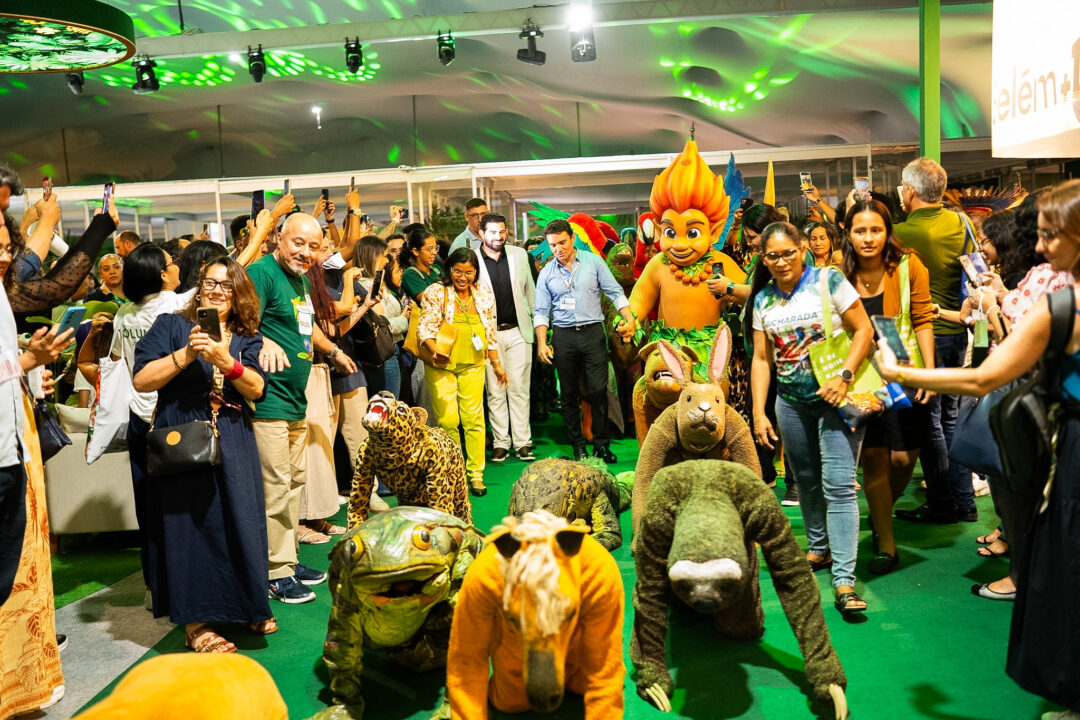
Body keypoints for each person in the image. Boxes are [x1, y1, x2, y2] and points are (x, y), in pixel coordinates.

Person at [873, 179, 1080, 720]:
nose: (1040, 247)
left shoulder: (1060, 308)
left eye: (1053, 236)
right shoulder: (1056, 304)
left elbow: (980, 379)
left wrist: (897, 371)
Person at [131, 257, 275, 652]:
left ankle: (246, 604)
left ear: (239, 293)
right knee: (190, 528)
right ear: (200, 286)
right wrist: (190, 355)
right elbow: (142, 380)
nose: (217, 290)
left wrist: (225, 362)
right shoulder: (172, 325)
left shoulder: (247, 335)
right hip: (183, 434)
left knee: (240, 520)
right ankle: (196, 623)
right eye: (211, 282)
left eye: (227, 286)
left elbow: (257, 389)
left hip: (232, 434)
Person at [750, 221, 873, 614]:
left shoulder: (828, 281)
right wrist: (759, 411)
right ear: (763, 258)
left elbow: (864, 331)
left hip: (838, 400)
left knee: (838, 484)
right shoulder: (763, 300)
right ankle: (818, 549)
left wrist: (845, 377)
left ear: (802, 248)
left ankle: (844, 581)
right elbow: (761, 359)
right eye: (773, 255)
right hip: (791, 402)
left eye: (789, 252)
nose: (783, 261)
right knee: (804, 480)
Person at [247, 213, 356, 605]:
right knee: (276, 489)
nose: (306, 253)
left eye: (313, 246)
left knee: (293, 485)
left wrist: (335, 351)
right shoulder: (261, 273)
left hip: (295, 400)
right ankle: (275, 573)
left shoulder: (297, 279)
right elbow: (239, 323)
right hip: (268, 402)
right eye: (298, 243)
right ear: (279, 237)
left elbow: (304, 326)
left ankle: (288, 560)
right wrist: (262, 341)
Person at [0, 205, 72, 714]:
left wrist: (28, 375)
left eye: (6, 246)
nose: (4, 255)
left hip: (10, 453)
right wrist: (25, 361)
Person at [840, 200, 936, 575]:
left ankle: (884, 515)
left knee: (902, 459)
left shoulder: (910, 265)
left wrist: (928, 371)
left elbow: (923, 318)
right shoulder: (836, 272)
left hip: (905, 375)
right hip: (862, 379)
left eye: (875, 230)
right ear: (848, 234)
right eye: (860, 230)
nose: (868, 238)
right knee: (875, 458)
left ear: (887, 231)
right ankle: (886, 540)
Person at [892, 156, 978, 525]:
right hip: (958, 332)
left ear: (910, 191)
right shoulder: (962, 221)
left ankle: (943, 502)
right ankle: (963, 501)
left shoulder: (902, 233)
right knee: (951, 419)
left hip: (924, 336)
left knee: (930, 423)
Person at [534, 219, 635, 463]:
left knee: (598, 390)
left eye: (562, 242)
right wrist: (541, 342)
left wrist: (629, 319)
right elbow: (540, 310)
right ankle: (578, 447)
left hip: (592, 333)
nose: (558, 249)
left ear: (572, 239)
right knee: (568, 395)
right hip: (563, 335)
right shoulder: (547, 273)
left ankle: (601, 445)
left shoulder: (593, 262)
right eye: (552, 245)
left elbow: (614, 291)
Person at [418, 248, 508, 496]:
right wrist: (435, 350)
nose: (463, 277)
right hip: (441, 365)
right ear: (449, 269)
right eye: (458, 271)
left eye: (469, 272)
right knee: (448, 420)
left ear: (476, 272)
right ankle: (454, 471)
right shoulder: (437, 291)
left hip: (474, 363)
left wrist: (497, 365)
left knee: (474, 420)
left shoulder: (483, 294)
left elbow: (490, 334)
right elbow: (425, 326)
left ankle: (476, 475)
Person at [475, 213, 536, 462]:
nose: (498, 237)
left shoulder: (520, 255)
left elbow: (530, 291)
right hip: (488, 335)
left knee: (520, 389)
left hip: (519, 330)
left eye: (502, 231)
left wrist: (537, 323)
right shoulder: (473, 259)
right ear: (481, 234)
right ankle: (501, 442)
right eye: (492, 232)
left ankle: (523, 442)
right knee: (495, 390)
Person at [401, 227, 443, 303]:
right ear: (416, 251)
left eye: (435, 248)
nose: (434, 252)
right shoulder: (410, 275)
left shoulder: (436, 269)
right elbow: (429, 301)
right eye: (430, 248)